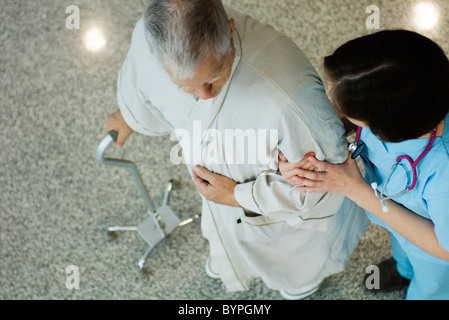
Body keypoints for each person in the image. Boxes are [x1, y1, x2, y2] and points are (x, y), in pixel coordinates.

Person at [106, 0, 367, 299]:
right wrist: (126, 114)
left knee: (296, 273)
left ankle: (300, 285)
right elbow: (141, 87)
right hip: (219, 205)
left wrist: (235, 196)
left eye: (213, 79)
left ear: (229, 32)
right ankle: (230, 258)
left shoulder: (291, 99)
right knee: (226, 242)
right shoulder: (146, 38)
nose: (203, 97)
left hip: (282, 226)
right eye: (187, 88)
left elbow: (323, 189)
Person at [279, 30, 449, 300]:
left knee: (430, 286)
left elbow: (445, 248)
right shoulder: (417, 96)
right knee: (403, 247)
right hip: (398, 218)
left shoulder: (443, 176)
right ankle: (403, 269)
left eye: (351, 116)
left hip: (437, 257)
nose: (338, 113)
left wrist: (354, 188)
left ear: (387, 126)